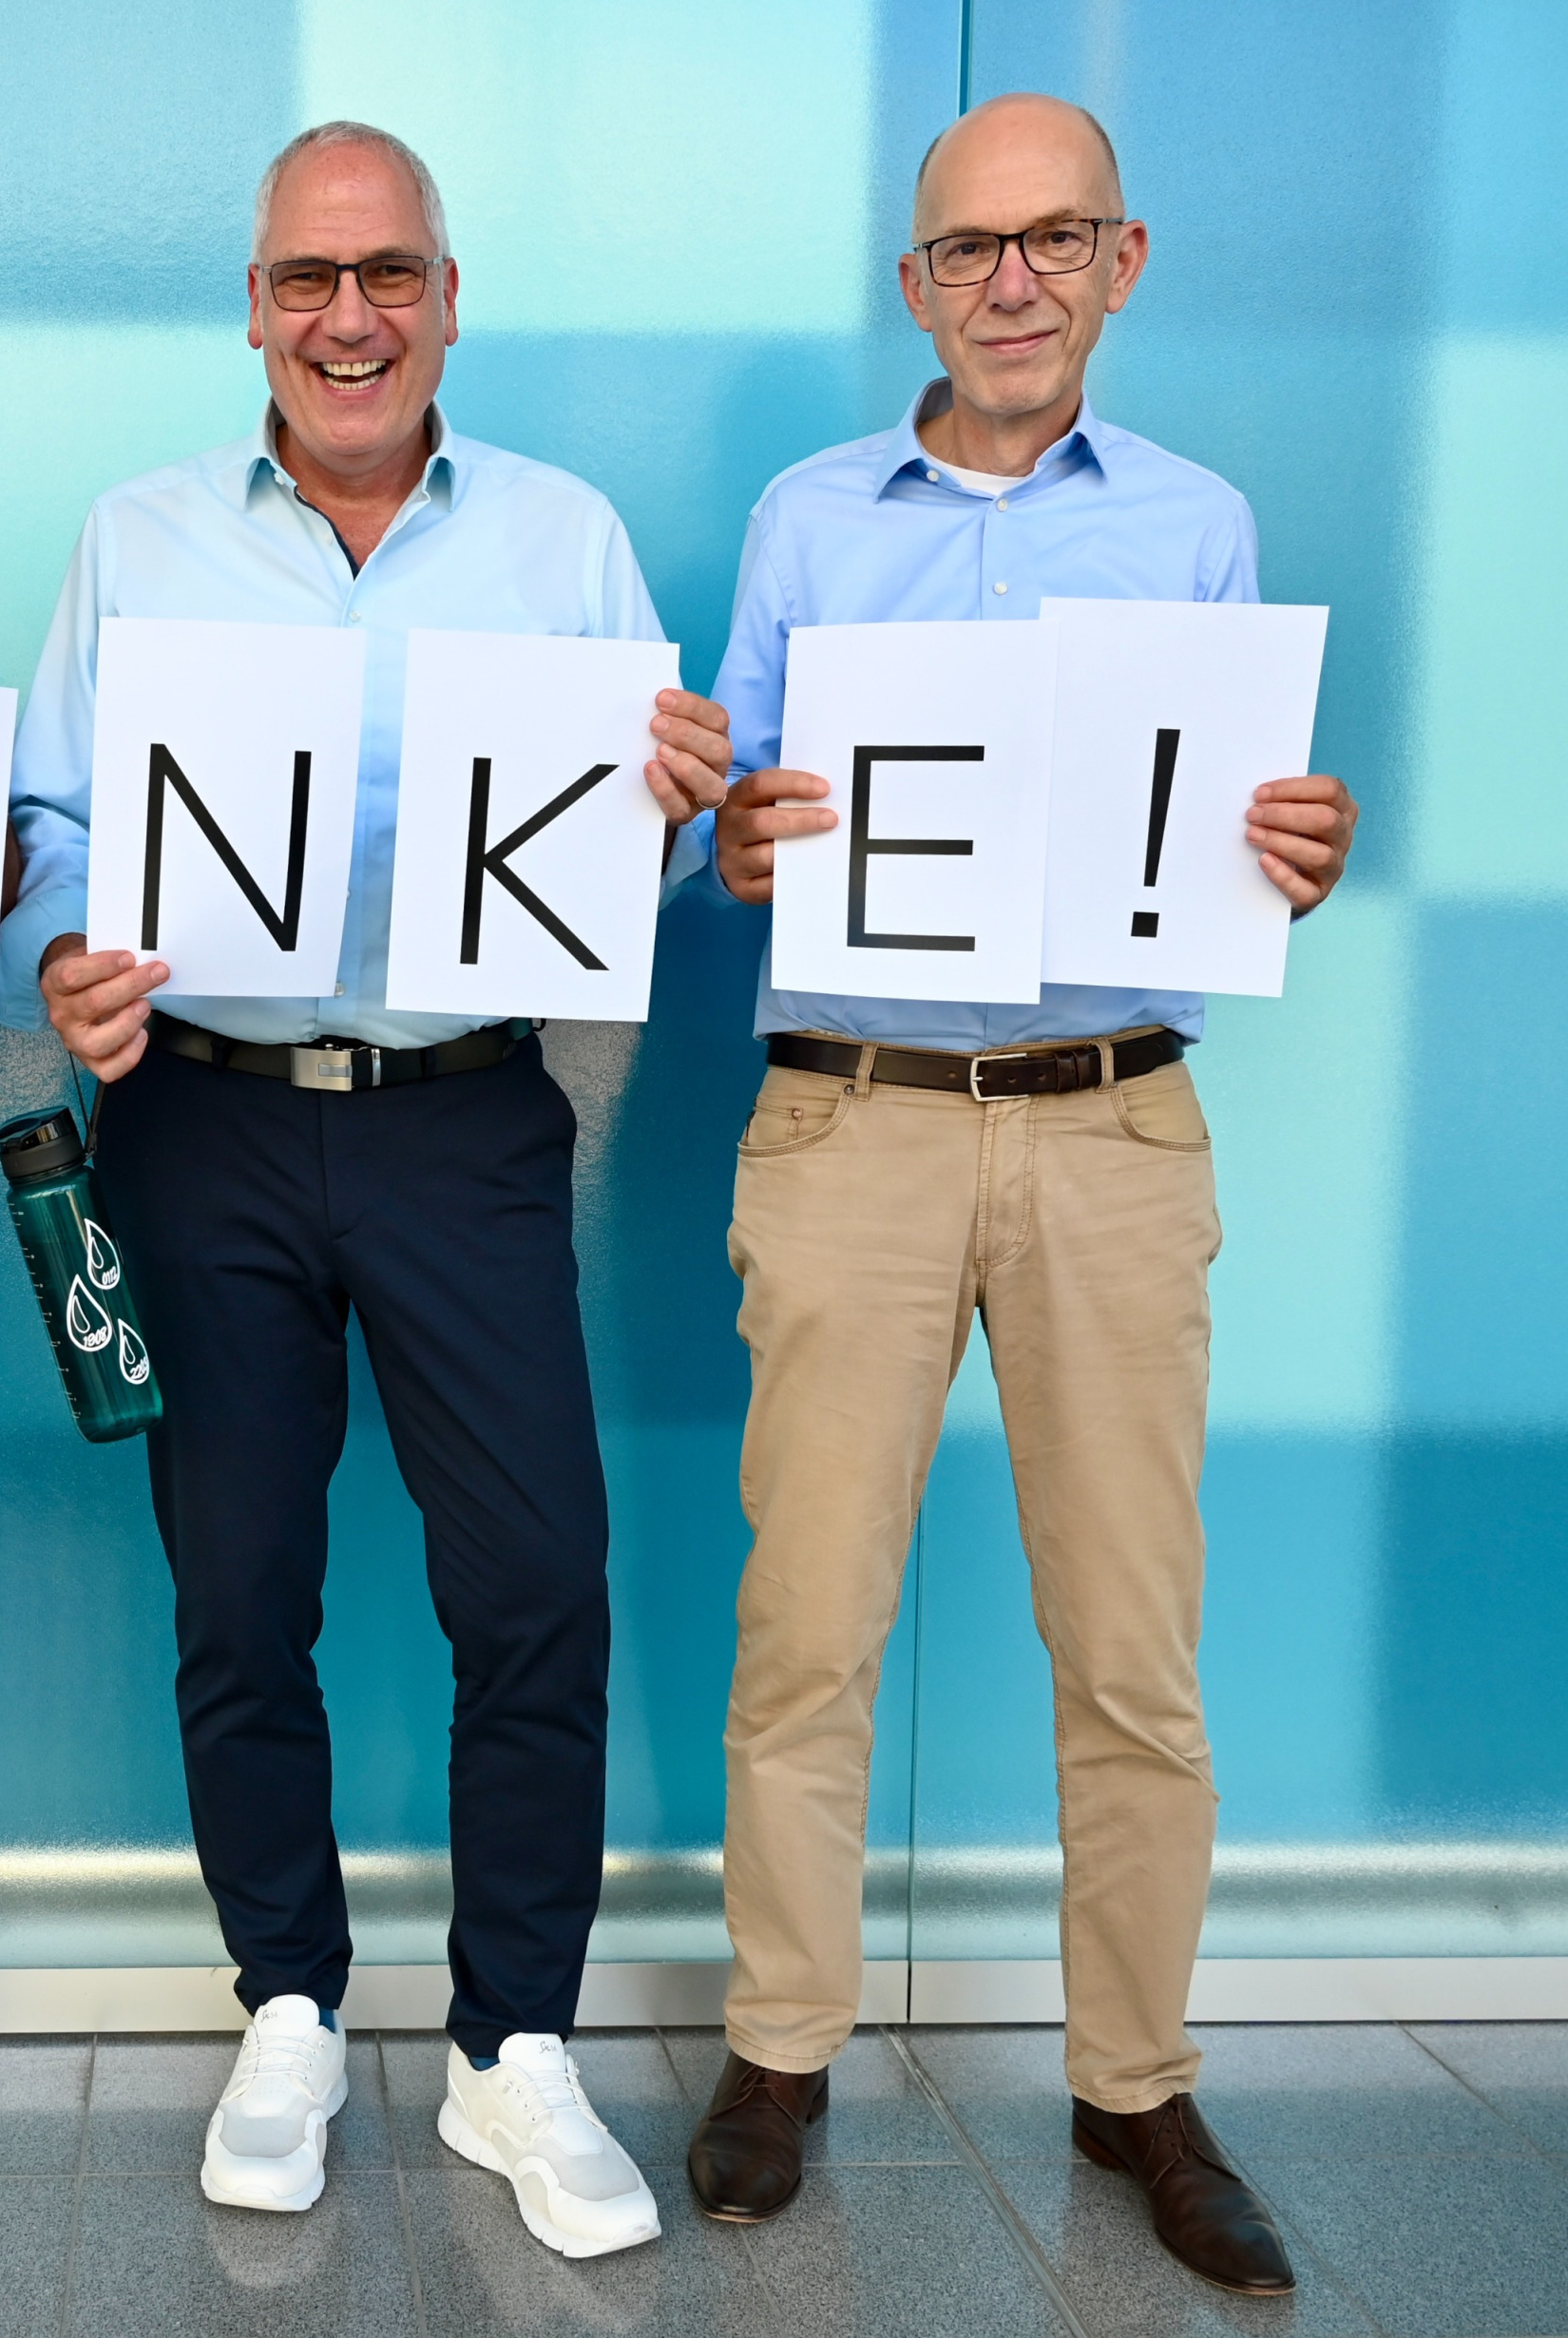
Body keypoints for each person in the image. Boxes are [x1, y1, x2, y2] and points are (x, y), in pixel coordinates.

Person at [0, 121, 733, 2257]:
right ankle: (290, 2008)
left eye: (389, 273)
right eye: (310, 279)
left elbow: (653, 834)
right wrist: (64, 946)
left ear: (446, 299)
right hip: (203, 1120)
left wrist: (685, 805)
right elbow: (50, 818)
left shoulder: (566, 537)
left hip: (463, 1115)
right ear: (255, 308)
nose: (350, 316)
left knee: (539, 1584)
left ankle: (515, 2047)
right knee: (239, 1593)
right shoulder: (136, 538)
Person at [677, 95, 1357, 2296]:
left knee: (1134, 1647)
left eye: (1054, 239)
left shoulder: (1196, 525)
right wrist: (735, 836)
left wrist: (1297, 853)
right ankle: (780, 2046)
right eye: (971, 248)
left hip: (1109, 1124)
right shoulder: (804, 520)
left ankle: (1137, 2081)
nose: (1013, 281)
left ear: (1122, 261)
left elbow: (1230, 823)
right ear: (917, 285)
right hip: (854, 1118)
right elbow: (728, 823)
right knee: (808, 1630)